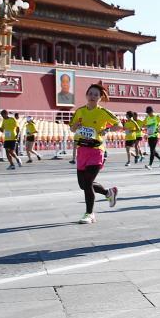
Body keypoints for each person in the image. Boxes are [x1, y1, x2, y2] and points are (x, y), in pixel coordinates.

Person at [70, 84, 119, 224]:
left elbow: (119, 124)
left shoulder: (103, 112)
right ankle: (108, 192)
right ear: (86, 95)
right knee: (83, 184)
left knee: (88, 182)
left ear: (100, 97)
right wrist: (76, 127)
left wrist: (107, 130)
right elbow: (72, 128)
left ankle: (89, 214)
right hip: (82, 151)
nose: (92, 96)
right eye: (90, 93)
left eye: (96, 94)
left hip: (96, 151)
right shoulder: (80, 111)